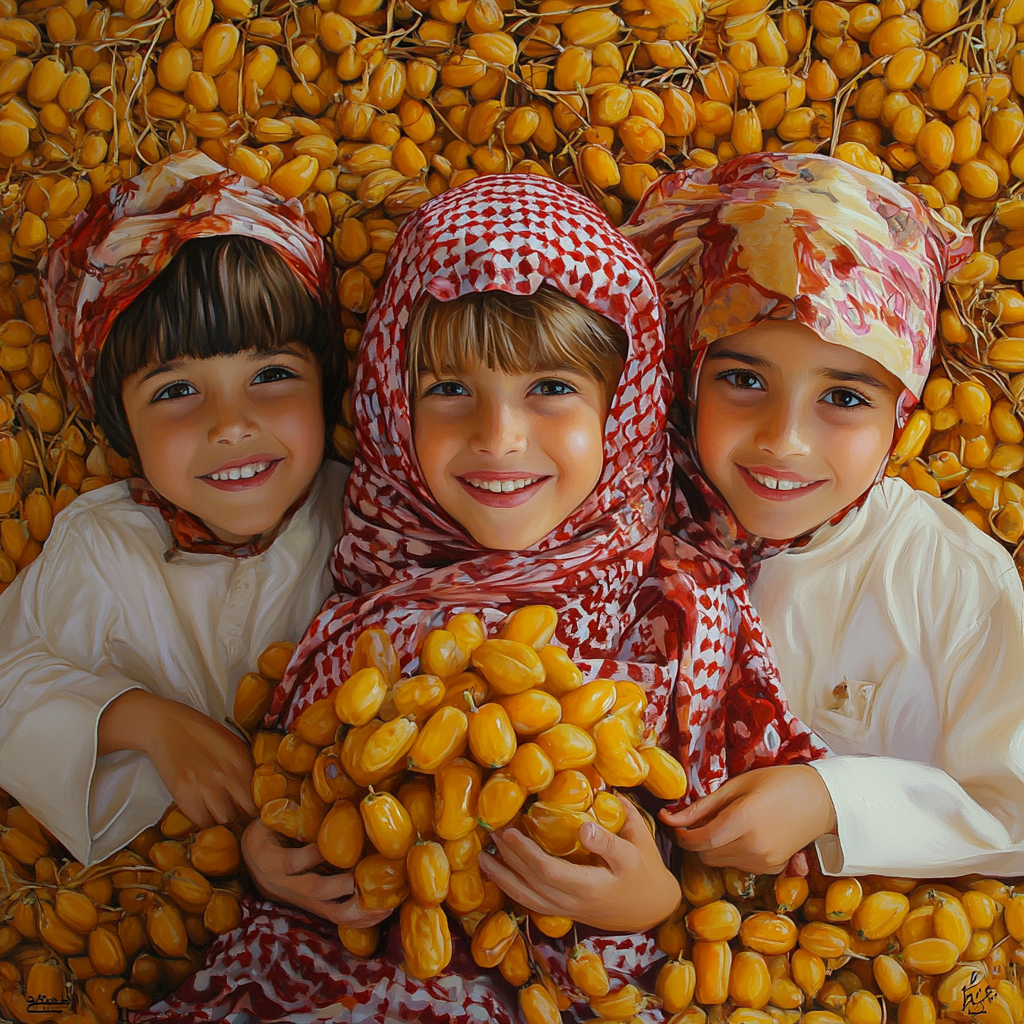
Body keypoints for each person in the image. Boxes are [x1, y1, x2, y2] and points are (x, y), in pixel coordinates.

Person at [149, 173, 826, 1024]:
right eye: (448, 390)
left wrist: (648, 904)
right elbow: (300, 773)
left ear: (626, 411)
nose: (498, 436)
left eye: (551, 388)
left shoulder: (682, 607)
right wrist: (273, 853)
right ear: (392, 410)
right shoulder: (358, 581)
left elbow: (739, 859)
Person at [624, 152, 1024, 879]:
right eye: (744, 379)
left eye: (844, 398)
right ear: (688, 379)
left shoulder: (951, 578)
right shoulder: (626, 534)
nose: (785, 440)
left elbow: (1014, 808)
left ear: (903, 417)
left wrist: (832, 799)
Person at [0, 151, 348, 867]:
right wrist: (141, 722)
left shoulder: (367, 520)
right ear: (120, 425)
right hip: (160, 892)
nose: (231, 423)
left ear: (328, 386)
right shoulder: (102, 545)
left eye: (272, 375)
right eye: (174, 391)